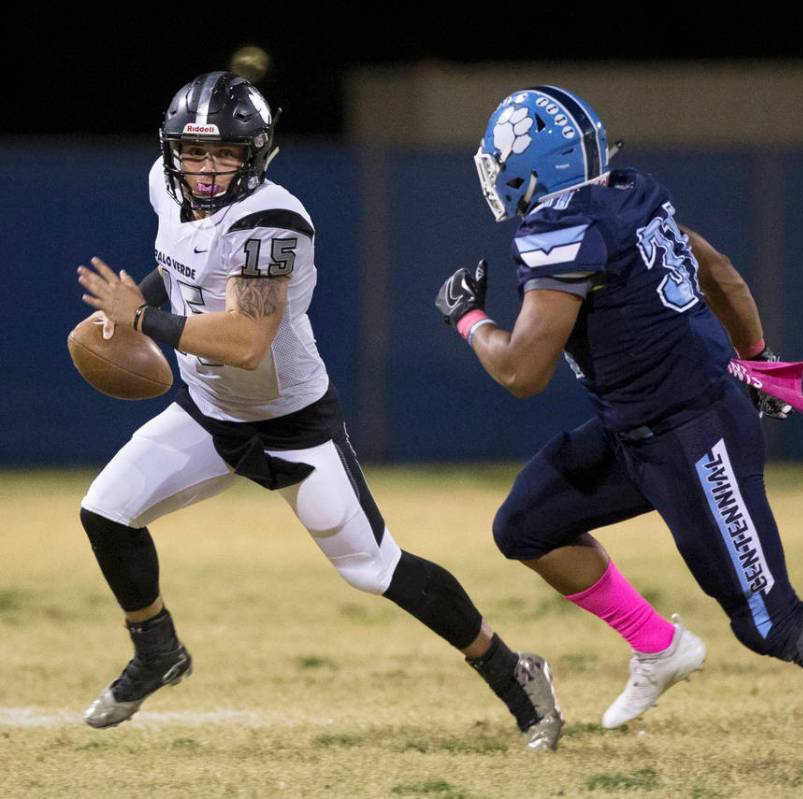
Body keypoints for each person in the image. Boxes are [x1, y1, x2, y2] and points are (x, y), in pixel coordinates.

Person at [435, 85, 803, 780]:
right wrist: (757, 358)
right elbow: (721, 273)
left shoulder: (561, 230)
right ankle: (659, 645)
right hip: (641, 425)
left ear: (533, 166)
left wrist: (468, 318)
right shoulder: (630, 193)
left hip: (693, 435)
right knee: (527, 525)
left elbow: (523, 370)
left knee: (770, 620)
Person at [75, 71, 563, 751]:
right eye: (194, 152)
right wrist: (143, 298)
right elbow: (181, 259)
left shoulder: (272, 220)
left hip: (291, 426)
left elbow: (246, 342)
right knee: (106, 510)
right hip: (211, 415)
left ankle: (515, 673)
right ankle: (157, 648)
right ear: (172, 150)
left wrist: (143, 317)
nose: (208, 168)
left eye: (225, 154)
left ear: (258, 154)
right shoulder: (166, 182)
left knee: (376, 567)